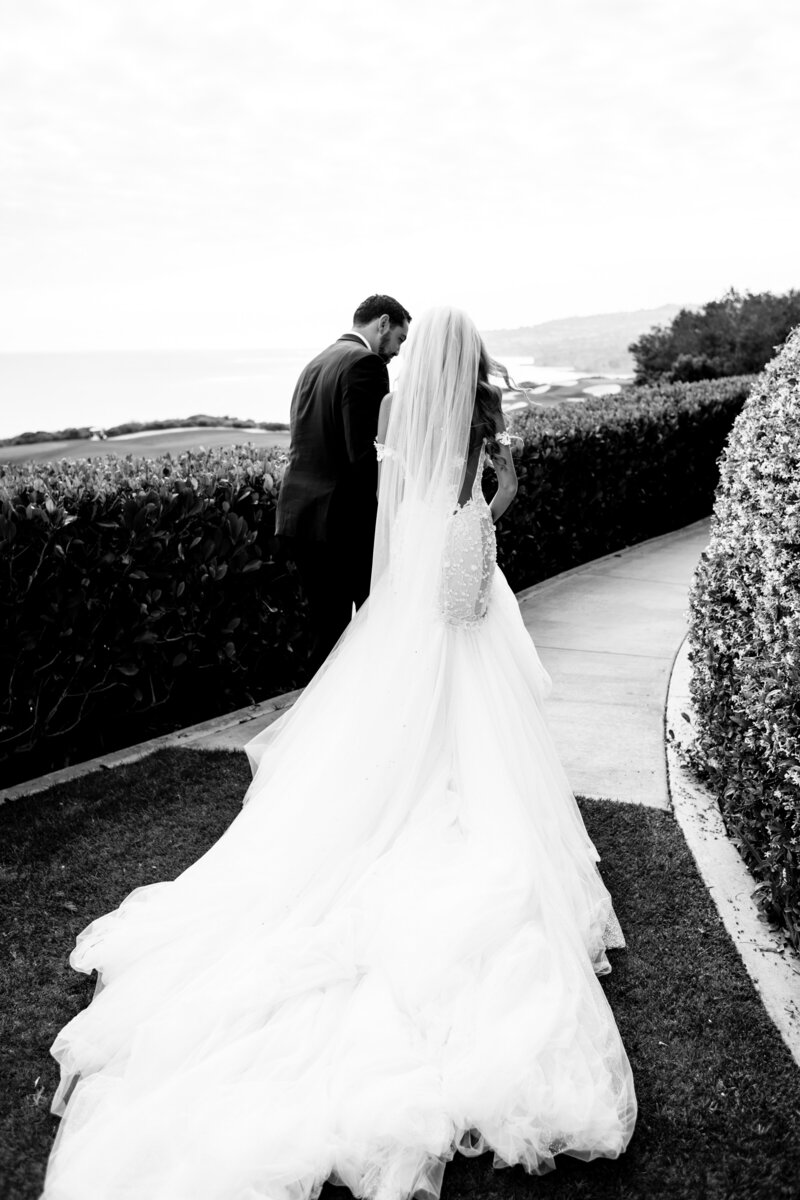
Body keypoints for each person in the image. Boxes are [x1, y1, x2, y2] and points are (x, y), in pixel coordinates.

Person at [42, 307, 636, 1200]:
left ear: (414, 352)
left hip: (408, 585)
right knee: (476, 724)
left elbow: (394, 501)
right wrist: (504, 484)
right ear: (458, 359)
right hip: (462, 586)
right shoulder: (475, 414)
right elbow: (483, 507)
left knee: (383, 707)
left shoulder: (390, 401)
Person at [276, 294, 411, 672]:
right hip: (344, 525)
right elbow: (365, 456)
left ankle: (317, 723)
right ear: (382, 323)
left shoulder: (315, 362)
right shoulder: (365, 364)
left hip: (300, 518)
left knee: (326, 631)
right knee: (376, 625)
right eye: (399, 339)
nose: (397, 352)